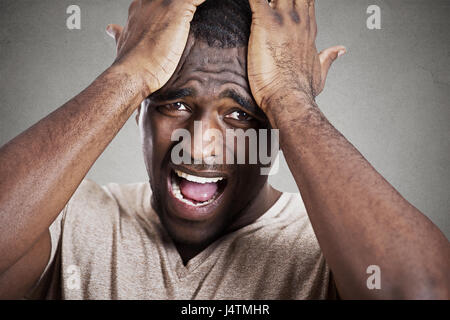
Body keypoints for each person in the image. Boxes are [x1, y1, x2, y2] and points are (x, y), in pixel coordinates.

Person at [0, 0, 448, 300]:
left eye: (240, 114)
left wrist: (290, 96)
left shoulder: (333, 250)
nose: (198, 143)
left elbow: (419, 291)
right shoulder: (67, 216)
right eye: (174, 103)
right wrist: (127, 75)